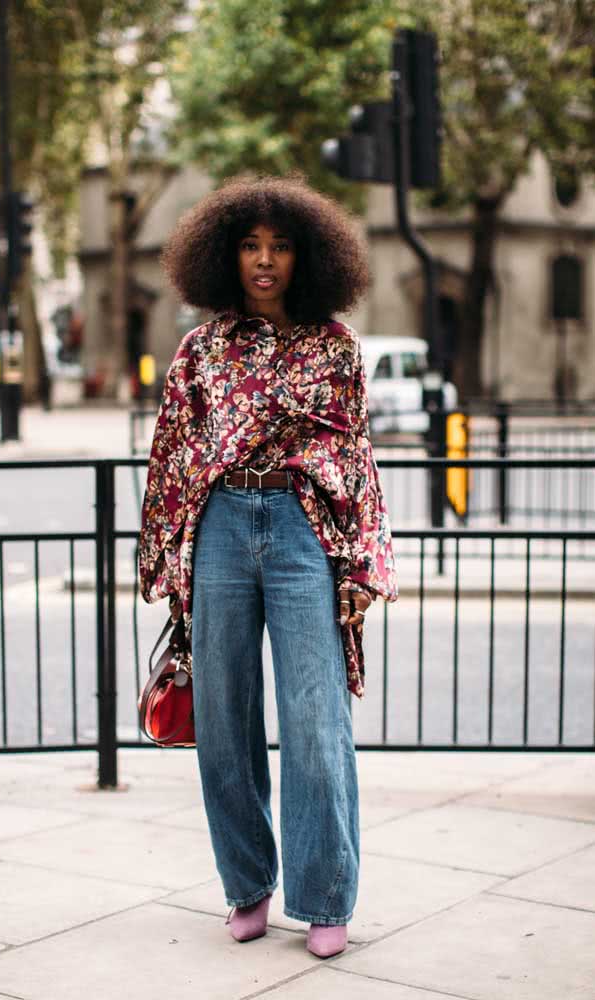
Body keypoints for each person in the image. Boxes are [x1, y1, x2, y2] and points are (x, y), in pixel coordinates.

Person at [139, 173, 398, 958]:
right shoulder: (201, 349)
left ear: (306, 257)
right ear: (224, 256)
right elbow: (174, 454)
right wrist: (169, 559)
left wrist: (358, 565)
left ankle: (323, 899)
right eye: (250, 245)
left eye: (279, 246)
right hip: (219, 524)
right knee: (223, 720)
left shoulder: (335, 348)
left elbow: (354, 458)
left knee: (316, 721)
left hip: (300, 529)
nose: (263, 260)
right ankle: (245, 888)